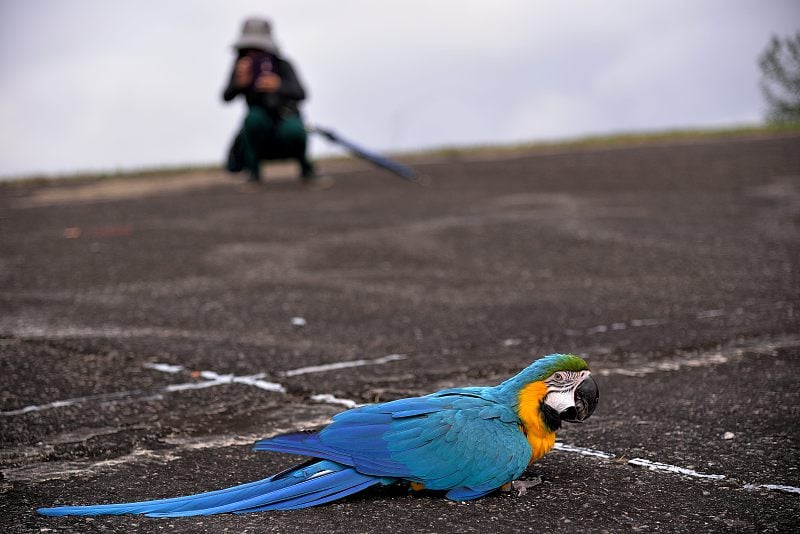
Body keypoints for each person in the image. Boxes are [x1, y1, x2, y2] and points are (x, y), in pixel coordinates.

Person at [222, 17, 324, 185]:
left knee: (294, 128)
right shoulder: (241, 69)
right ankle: (253, 173)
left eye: (259, 50)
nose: (253, 54)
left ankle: (306, 169)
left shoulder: (283, 65)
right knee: (254, 118)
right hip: (259, 127)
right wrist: (239, 84)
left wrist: (279, 86)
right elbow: (226, 97)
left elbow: (301, 93)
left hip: (285, 118)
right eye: (248, 50)